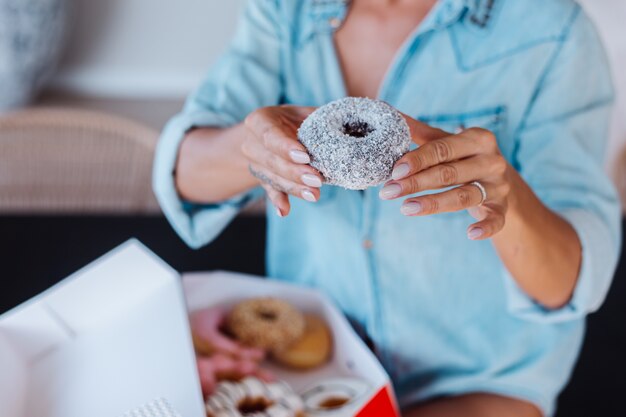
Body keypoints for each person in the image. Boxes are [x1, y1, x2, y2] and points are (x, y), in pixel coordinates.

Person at [153, 1, 621, 416]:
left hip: (479, 386)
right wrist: (251, 145)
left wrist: (507, 196)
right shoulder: (286, 11)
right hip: (316, 364)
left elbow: (567, 281)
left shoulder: (549, 28)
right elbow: (185, 174)